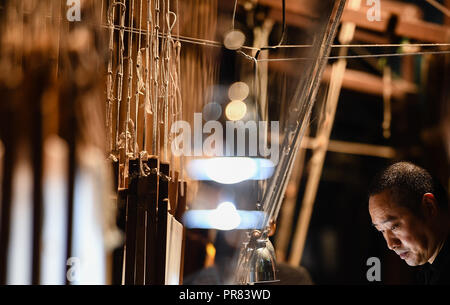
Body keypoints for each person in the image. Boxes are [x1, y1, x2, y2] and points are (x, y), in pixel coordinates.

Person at [368, 161, 450, 284]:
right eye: (382, 231)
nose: (390, 245)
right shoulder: (430, 272)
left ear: (429, 207)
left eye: (394, 226)